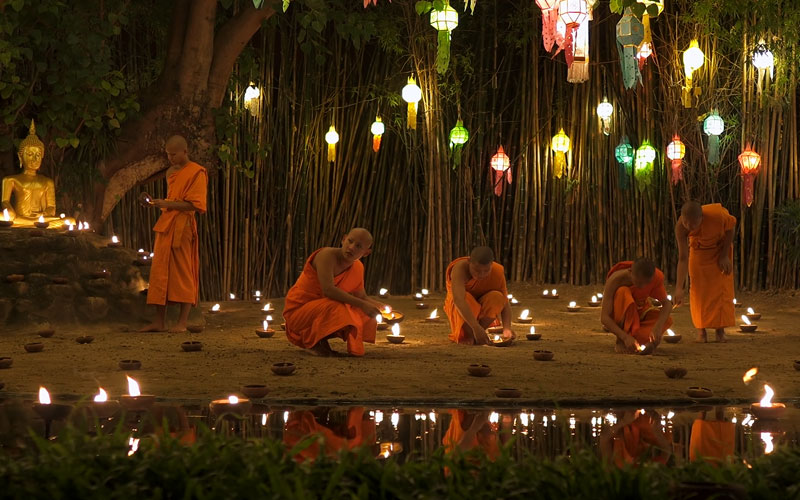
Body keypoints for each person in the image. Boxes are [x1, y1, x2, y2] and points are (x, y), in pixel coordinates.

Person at [140, 136, 207, 333]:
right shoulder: (170, 172)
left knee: (183, 271)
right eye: (168, 154)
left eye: (174, 154)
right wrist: (159, 203)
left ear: (185, 152)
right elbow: (172, 198)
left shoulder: (197, 172)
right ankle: (159, 322)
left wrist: (168, 204)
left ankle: (182, 323)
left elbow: (195, 205)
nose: (170, 158)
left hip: (183, 226)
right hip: (166, 224)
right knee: (160, 271)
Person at [282, 228, 384, 357]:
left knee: (366, 312)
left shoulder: (358, 267)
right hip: (299, 312)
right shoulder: (326, 256)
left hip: (322, 309)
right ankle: (314, 342)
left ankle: (321, 338)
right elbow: (328, 290)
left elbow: (361, 296)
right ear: (343, 239)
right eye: (350, 241)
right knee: (339, 306)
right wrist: (363, 305)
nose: (351, 247)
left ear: (366, 253)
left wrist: (381, 307)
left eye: (358, 246)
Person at [674, 201, 736, 343]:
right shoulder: (681, 228)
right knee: (698, 291)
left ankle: (720, 331)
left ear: (702, 218)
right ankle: (701, 331)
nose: (689, 227)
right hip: (698, 253)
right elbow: (683, 258)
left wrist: (724, 255)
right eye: (686, 222)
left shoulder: (716, 216)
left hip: (719, 250)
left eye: (693, 224)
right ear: (682, 218)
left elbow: (731, 228)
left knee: (721, 290)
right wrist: (678, 287)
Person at [600, 258, 673, 354]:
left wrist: (658, 327)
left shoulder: (656, 277)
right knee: (623, 292)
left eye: (647, 283)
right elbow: (604, 317)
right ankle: (621, 340)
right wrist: (624, 337)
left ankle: (638, 340)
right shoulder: (615, 280)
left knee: (666, 320)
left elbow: (667, 304)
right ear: (630, 272)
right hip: (621, 313)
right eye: (639, 283)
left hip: (640, 313)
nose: (642, 286)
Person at [443, 246, 513, 345]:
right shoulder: (459, 269)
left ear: (491, 265)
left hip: (482, 307)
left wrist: (507, 329)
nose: (481, 274)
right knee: (465, 298)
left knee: (497, 297)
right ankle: (469, 334)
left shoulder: (497, 271)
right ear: (469, 262)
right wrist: (475, 327)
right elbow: (458, 300)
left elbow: (505, 303)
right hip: (463, 307)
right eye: (476, 270)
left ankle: (478, 332)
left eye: (486, 271)